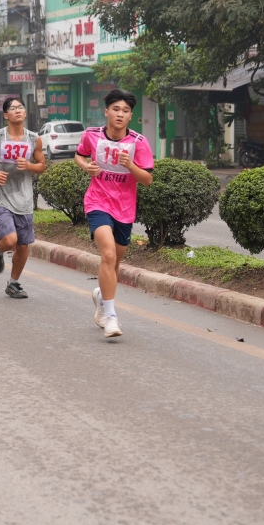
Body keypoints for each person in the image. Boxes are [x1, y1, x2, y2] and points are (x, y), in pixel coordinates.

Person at [74, 89, 154, 338]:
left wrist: (130, 165)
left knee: (115, 262)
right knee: (107, 253)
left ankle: (101, 297)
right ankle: (110, 316)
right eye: (116, 109)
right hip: (97, 202)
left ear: (131, 116)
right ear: (106, 111)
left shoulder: (138, 143)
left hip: (125, 208)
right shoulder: (92, 135)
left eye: (126, 111)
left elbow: (148, 179)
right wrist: (86, 166)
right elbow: (79, 155)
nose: (120, 114)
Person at [0, 96, 46, 298]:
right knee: (11, 240)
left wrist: (30, 166)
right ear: (6, 115)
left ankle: (13, 283)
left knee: (22, 245)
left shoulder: (34, 138)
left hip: (23, 198)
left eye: (20, 107)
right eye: (13, 108)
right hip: (0, 195)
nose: (18, 110)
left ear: (24, 112)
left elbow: (42, 166)